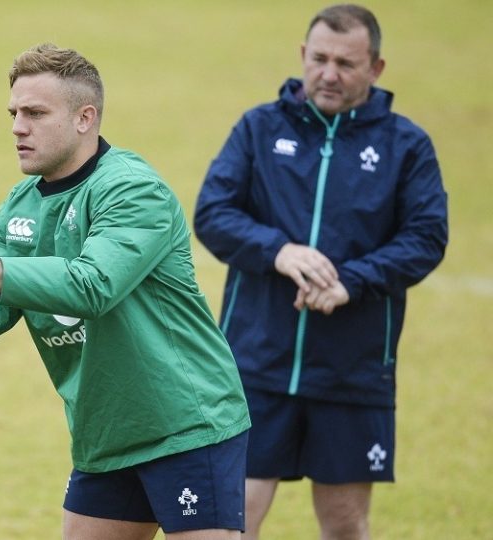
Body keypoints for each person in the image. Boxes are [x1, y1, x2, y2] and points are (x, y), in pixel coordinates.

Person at [0, 43, 250, 540]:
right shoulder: (20, 206)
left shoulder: (133, 190)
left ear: (85, 118)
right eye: (13, 113)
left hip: (185, 425)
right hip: (105, 432)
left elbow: (93, 286)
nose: (17, 127)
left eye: (35, 113)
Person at [193, 5, 448, 540]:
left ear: (376, 69)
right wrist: (277, 251)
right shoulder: (259, 129)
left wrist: (351, 282)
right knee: (231, 519)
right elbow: (213, 213)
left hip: (352, 370)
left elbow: (426, 238)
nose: (329, 74)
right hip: (256, 362)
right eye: (319, 58)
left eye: (346, 63)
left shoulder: (407, 146)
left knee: (345, 524)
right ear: (302, 56)